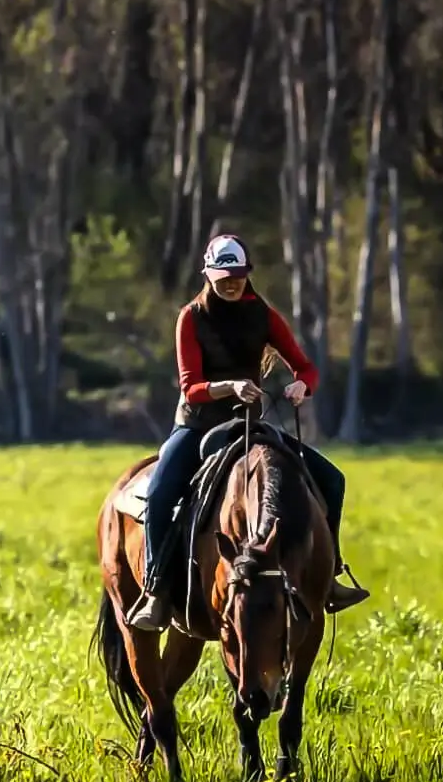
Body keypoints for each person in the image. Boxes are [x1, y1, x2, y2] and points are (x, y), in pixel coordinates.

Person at [127, 232, 371, 632]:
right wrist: (232, 386)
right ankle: (155, 591)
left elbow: (305, 367)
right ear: (208, 275)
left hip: (247, 426)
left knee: (332, 479)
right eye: (223, 276)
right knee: (158, 495)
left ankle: (329, 579)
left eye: (237, 275)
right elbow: (191, 386)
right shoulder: (190, 317)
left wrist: (301, 386)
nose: (232, 282)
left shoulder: (264, 315)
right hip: (198, 426)